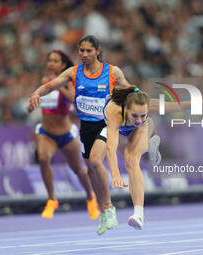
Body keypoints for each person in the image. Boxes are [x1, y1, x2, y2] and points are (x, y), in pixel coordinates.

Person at [28, 35, 131, 235]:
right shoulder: (73, 72)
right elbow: (50, 86)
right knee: (90, 170)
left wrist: (137, 104)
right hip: (86, 126)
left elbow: (129, 89)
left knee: (94, 161)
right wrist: (36, 94)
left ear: (97, 51)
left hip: (106, 123)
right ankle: (102, 210)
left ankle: (109, 207)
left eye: (88, 51)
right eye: (81, 51)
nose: (84, 54)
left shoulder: (112, 71)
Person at [104, 85, 203, 229]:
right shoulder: (114, 113)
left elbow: (180, 105)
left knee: (132, 160)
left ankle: (138, 215)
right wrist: (115, 174)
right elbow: (110, 148)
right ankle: (150, 142)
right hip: (119, 129)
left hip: (140, 130)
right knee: (121, 148)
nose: (138, 119)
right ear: (126, 109)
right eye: (135, 115)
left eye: (142, 115)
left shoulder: (147, 109)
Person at [33, 50, 99, 220]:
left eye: (55, 61)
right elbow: (41, 100)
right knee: (42, 158)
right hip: (47, 133)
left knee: (78, 169)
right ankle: (51, 200)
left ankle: (90, 197)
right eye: (49, 60)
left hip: (66, 134)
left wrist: (58, 87)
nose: (51, 64)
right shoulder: (44, 81)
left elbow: (75, 101)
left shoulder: (69, 82)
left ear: (63, 65)